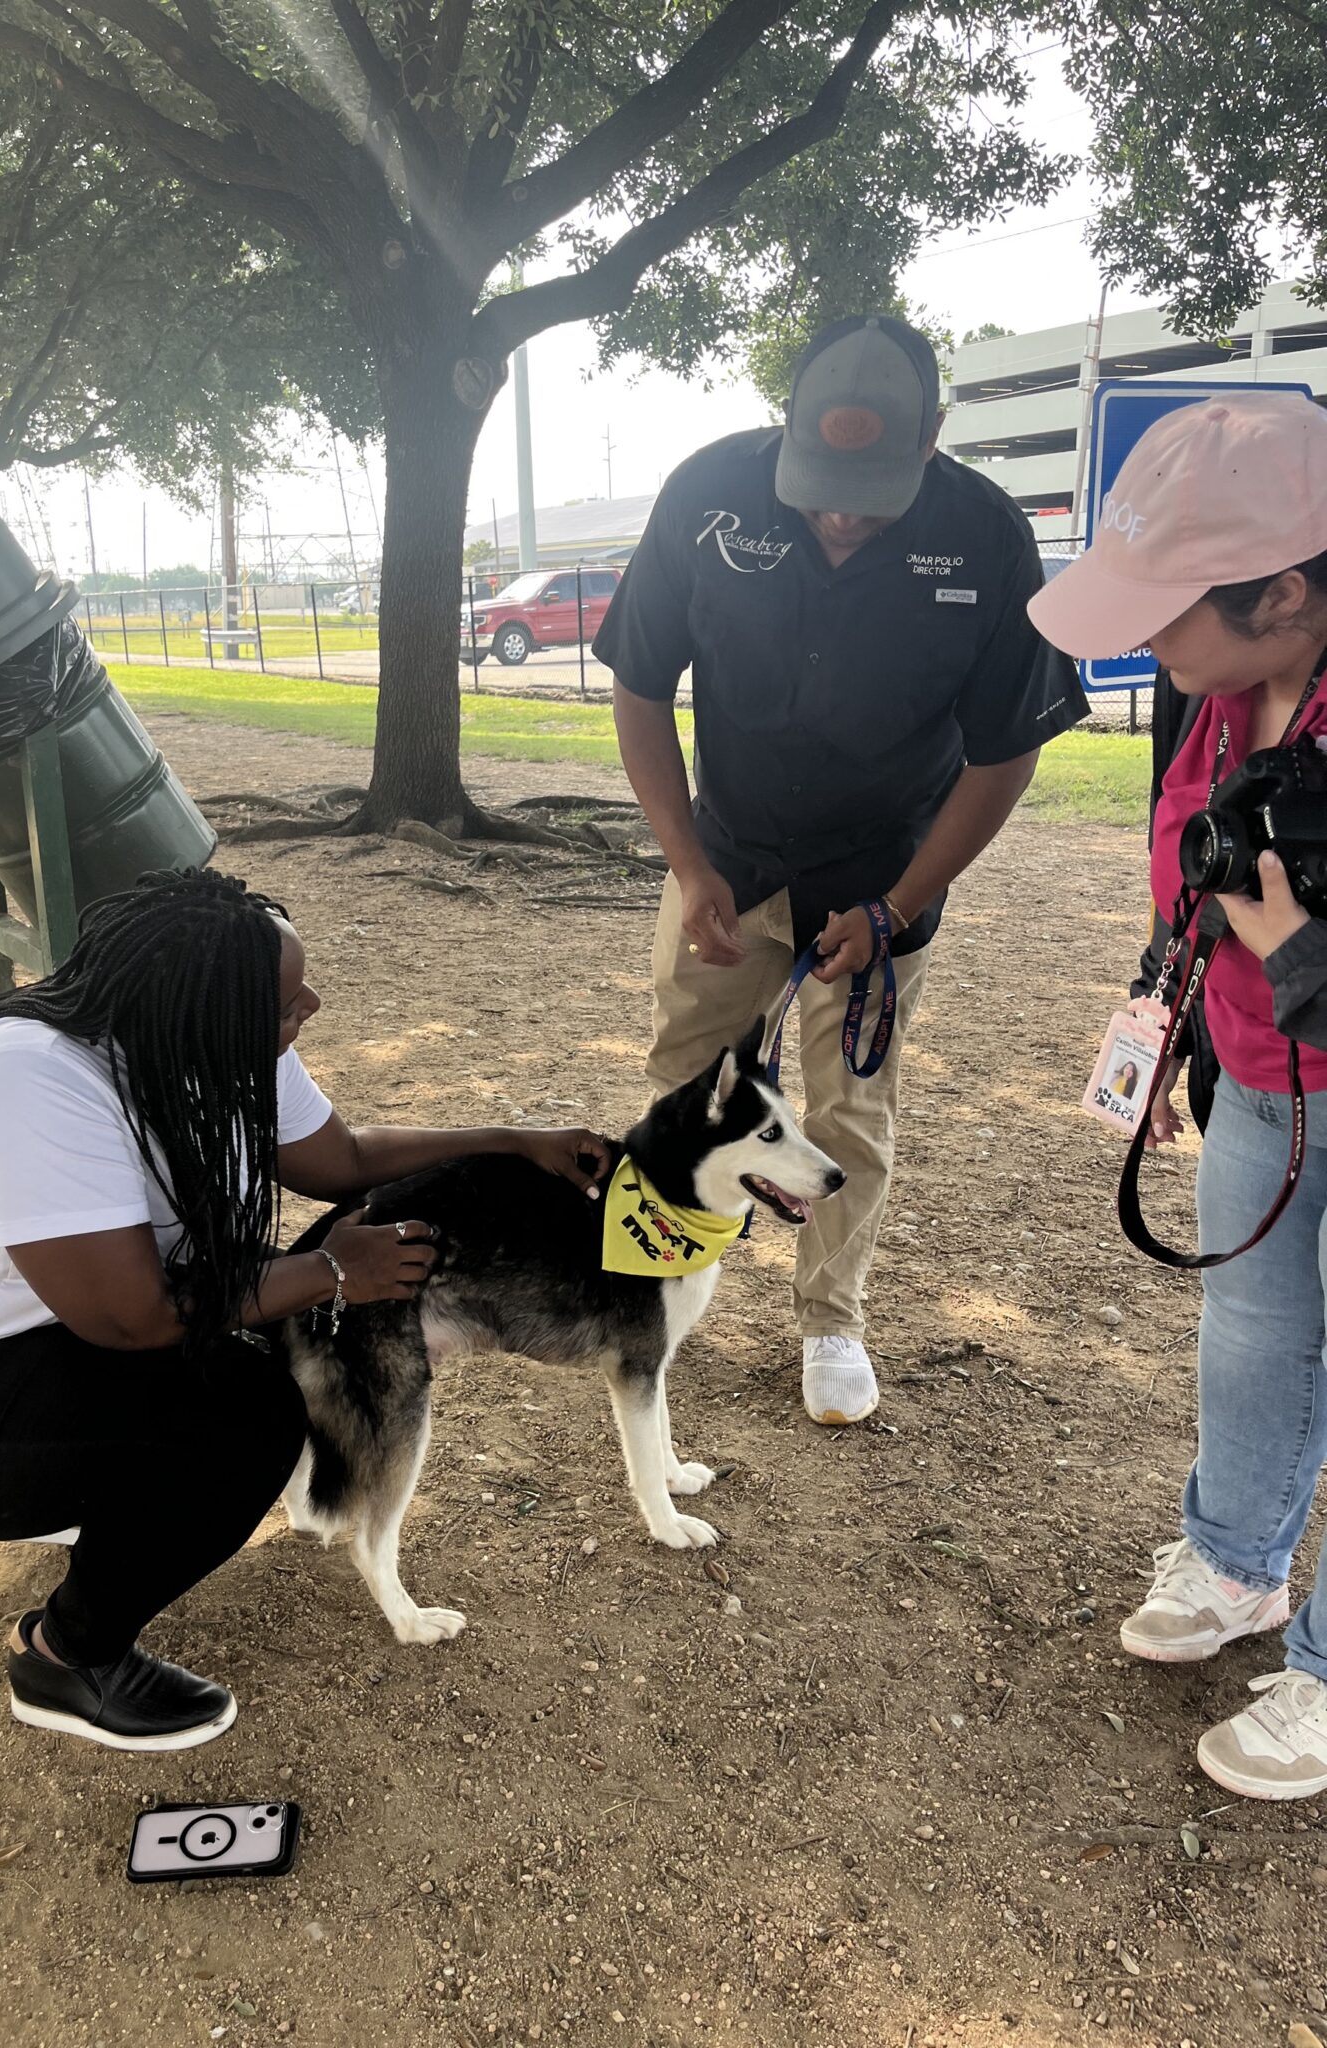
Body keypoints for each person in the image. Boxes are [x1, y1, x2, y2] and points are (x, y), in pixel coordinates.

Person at [0, 869, 609, 1753]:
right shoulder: (30, 1077)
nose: (315, 1007)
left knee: (254, 1351)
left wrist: (511, 1138)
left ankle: (106, 1497)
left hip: (50, 1336)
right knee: (251, 1414)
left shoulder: (218, 1036)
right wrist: (332, 1269)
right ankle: (68, 1657)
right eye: (290, 1004)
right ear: (202, 1011)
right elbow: (134, 1319)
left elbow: (335, 1157)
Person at [594, 313, 1086, 1426]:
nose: (841, 512)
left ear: (932, 438)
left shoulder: (988, 534)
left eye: (869, 487)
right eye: (821, 483)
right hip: (724, 852)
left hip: (879, 876)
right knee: (686, 1081)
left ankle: (831, 1320)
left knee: (848, 1104)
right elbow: (637, 687)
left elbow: (1009, 748)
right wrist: (685, 858)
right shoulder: (707, 494)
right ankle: (662, 1280)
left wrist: (902, 901)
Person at [1030, 391, 1327, 1800]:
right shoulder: (1213, 695)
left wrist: (1298, 957)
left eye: (1165, 607)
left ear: (1283, 591)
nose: (1144, 640)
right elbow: (1195, 881)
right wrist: (1167, 1042)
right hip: (1268, 1082)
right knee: (1253, 1338)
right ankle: (1237, 1565)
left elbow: (1271, 918)